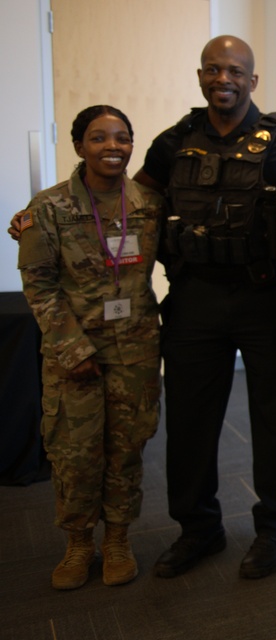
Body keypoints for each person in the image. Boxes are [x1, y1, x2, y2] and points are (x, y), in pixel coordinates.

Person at [132, 35, 276, 580]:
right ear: (200, 77)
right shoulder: (175, 141)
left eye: (235, 71)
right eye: (213, 70)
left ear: (252, 80)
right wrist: (46, 212)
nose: (224, 80)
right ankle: (198, 528)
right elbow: (134, 196)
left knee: (272, 417)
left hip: (266, 297)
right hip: (194, 298)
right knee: (190, 418)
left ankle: (274, 528)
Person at [18, 105, 164, 590]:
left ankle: (118, 539)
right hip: (73, 353)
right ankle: (78, 542)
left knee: (126, 449)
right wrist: (70, 349)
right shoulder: (47, 208)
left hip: (136, 351)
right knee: (76, 453)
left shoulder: (146, 203)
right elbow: (39, 286)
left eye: (122, 138)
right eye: (99, 138)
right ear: (79, 145)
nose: (112, 147)